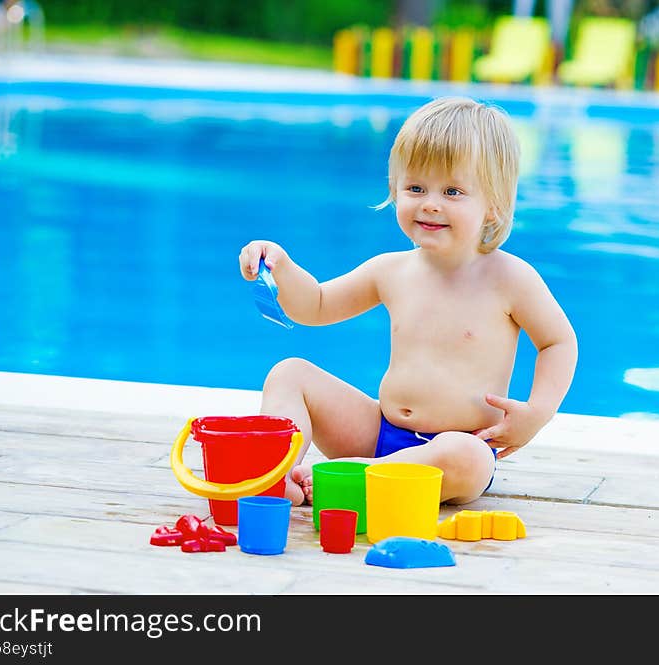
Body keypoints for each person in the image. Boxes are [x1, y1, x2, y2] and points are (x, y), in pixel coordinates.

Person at [238, 96, 577, 507]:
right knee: (289, 372)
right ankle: (274, 474)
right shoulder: (391, 270)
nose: (430, 202)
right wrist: (283, 267)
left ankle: (361, 477)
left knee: (466, 459)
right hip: (380, 432)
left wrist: (537, 412)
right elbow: (318, 305)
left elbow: (558, 342)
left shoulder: (511, 279)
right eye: (416, 187)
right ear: (395, 191)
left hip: (454, 448)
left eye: (453, 191)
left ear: (494, 206)